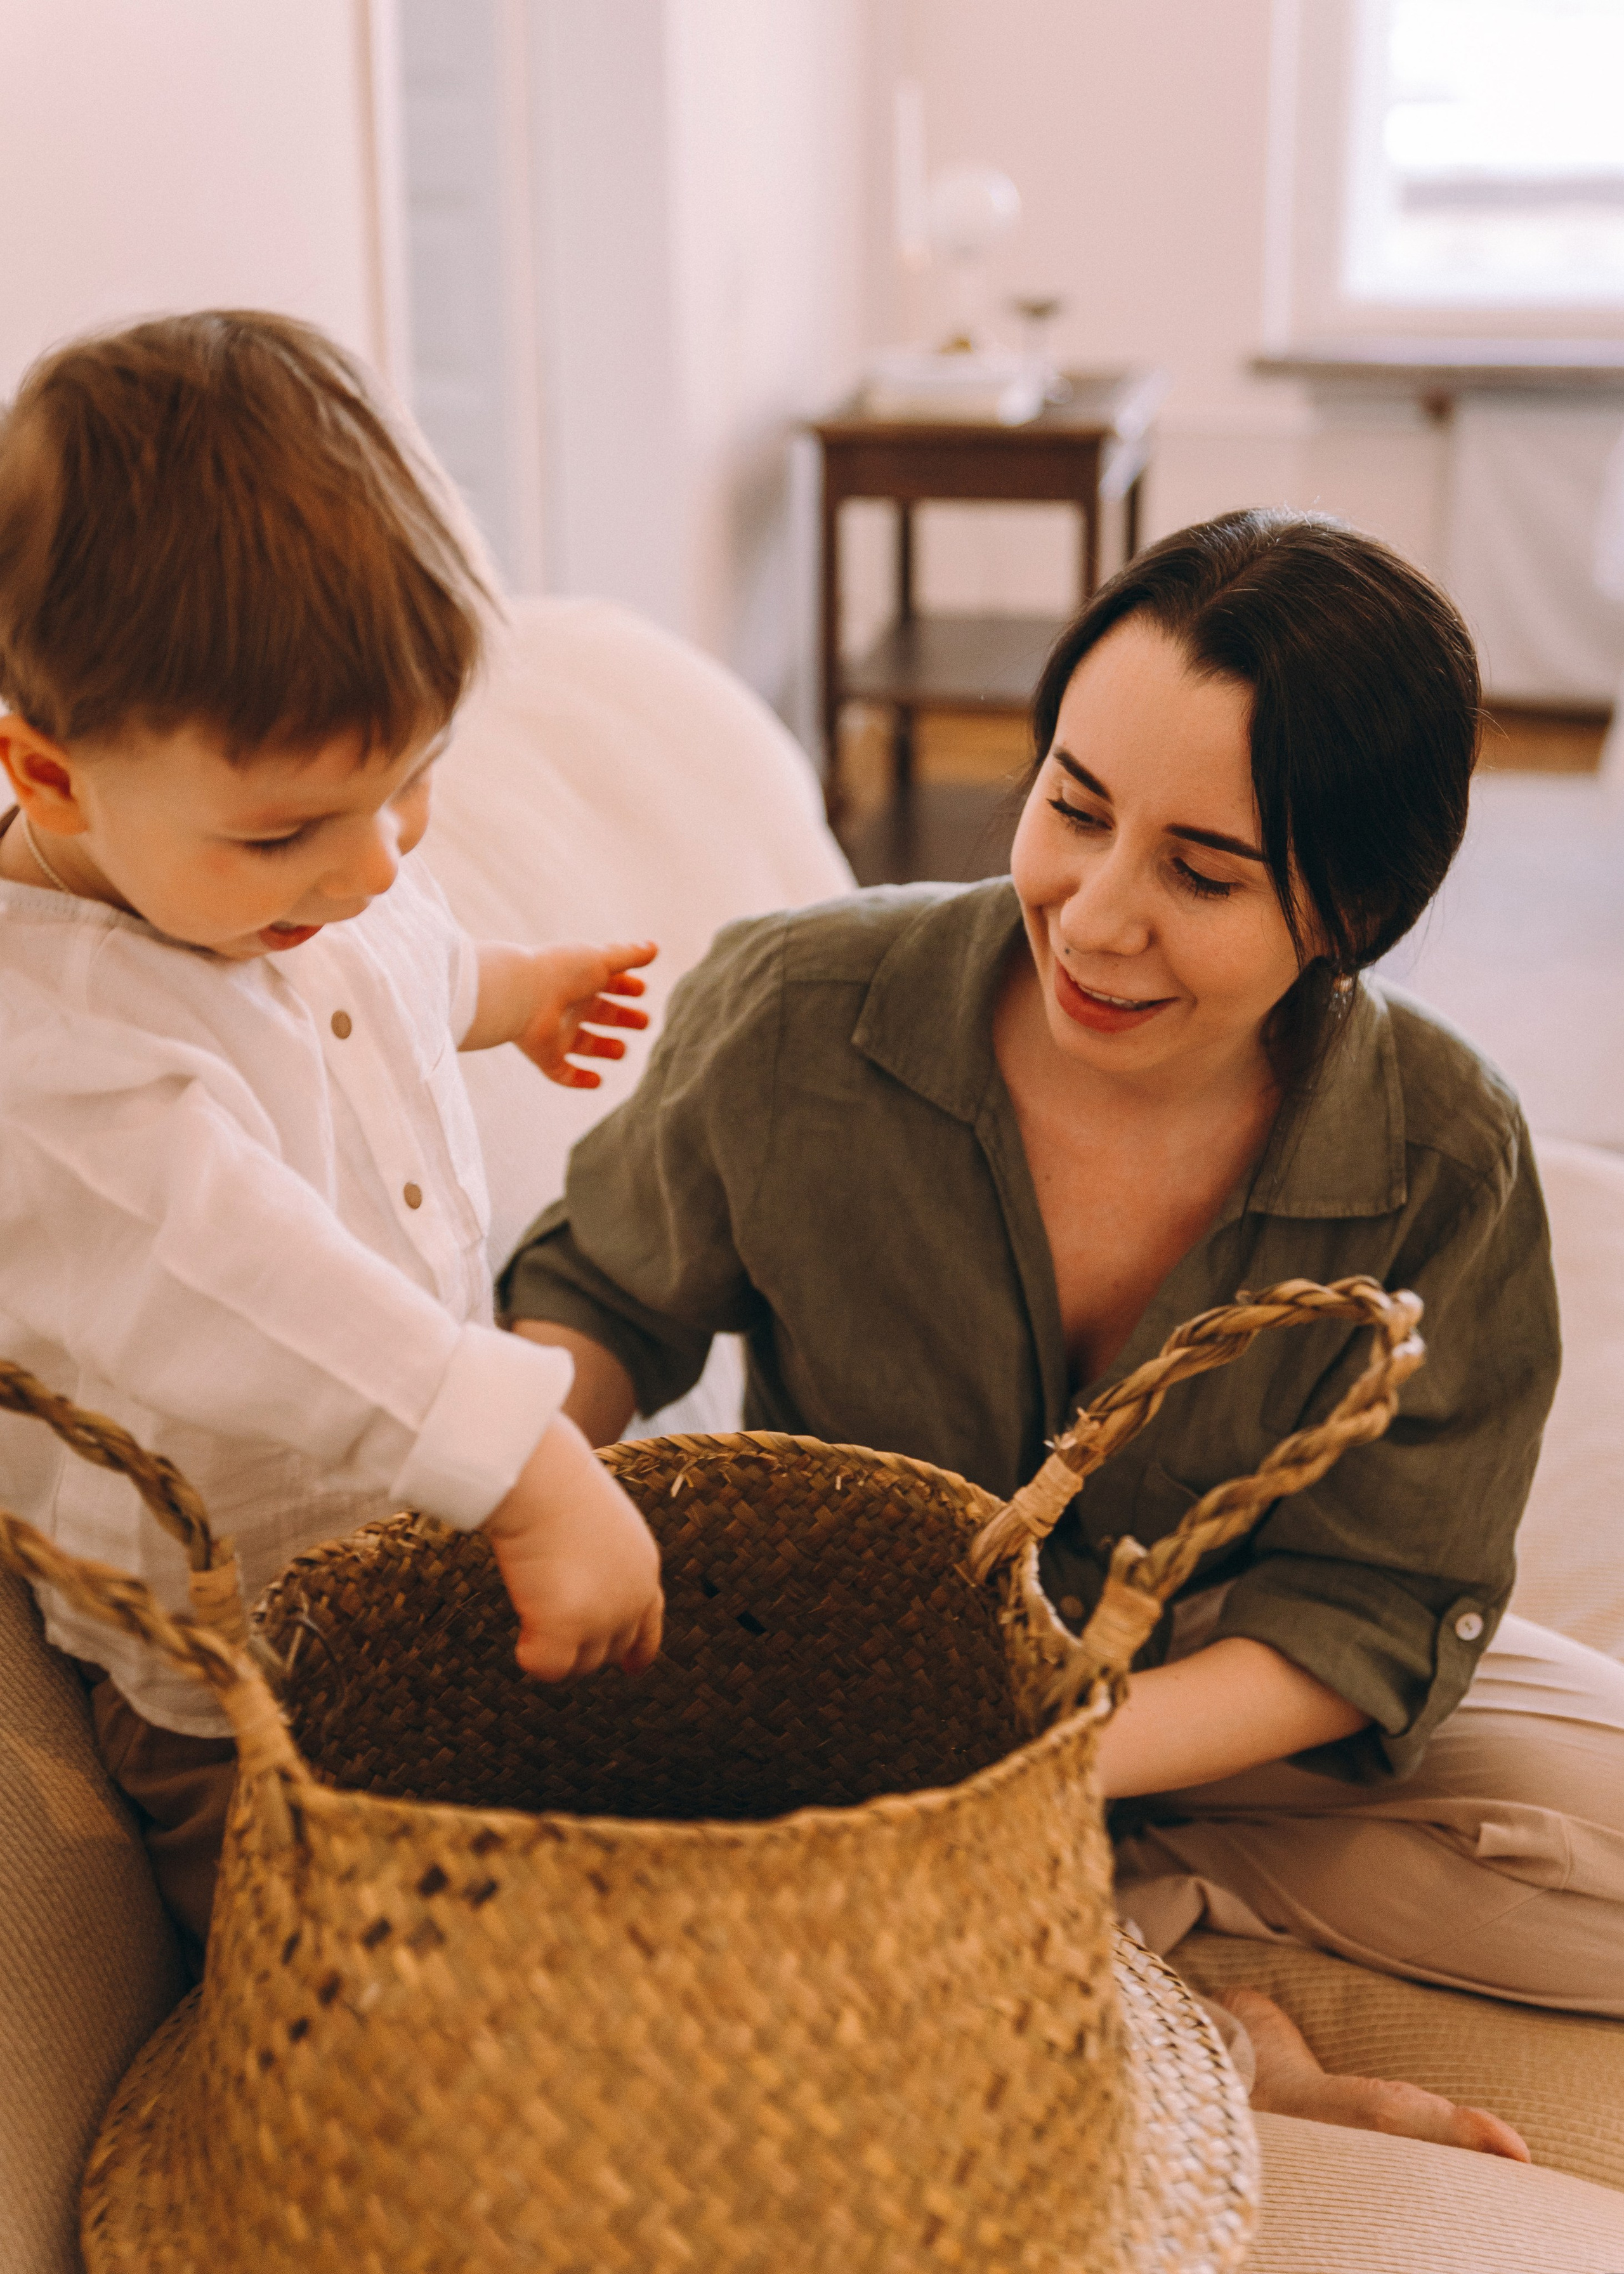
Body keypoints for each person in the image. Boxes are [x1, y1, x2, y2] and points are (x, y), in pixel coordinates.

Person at [501, 508, 1624, 2158]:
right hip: (867, 1698)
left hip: (1243, 1707)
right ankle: (1174, 1995)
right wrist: (512, 1490)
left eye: (1203, 871)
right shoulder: (796, 1010)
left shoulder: (1444, 1155)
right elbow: (600, 1293)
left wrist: (1057, 1763)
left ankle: (1110, 1887)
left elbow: (1382, 1597)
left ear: (1352, 911)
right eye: (1072, 808)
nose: (1096, 916)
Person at [0, 311, 665, 1969]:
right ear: (50, 772)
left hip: (421, 1582)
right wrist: (531, 1463)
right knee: (342, 2000)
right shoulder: (61, 1063)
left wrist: (511, 993)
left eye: (415, 784)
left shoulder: (273, 890)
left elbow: (391, 971)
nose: (373, 866)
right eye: (295, 826)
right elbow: (259, 1281)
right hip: (248, 1688)